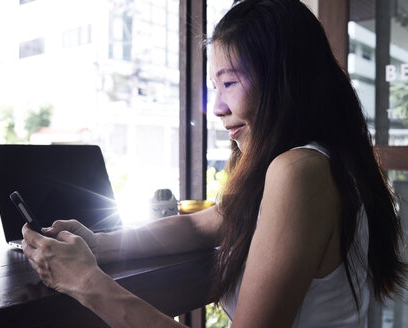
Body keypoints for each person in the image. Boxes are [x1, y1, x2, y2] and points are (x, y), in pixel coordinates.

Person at [21, 0, 407, 327]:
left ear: (285, 81)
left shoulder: (299, 171)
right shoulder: (321, 161)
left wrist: (86, 282)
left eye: (231, 83)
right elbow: (203, 223)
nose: (218, 108)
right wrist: (100, 244)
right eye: (214, 86)